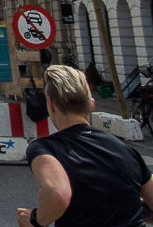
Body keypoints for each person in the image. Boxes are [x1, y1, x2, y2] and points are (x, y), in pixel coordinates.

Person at [16, 65, 153, 227]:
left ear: (51, 105)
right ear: (92, 104)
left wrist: (35, 220)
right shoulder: (125, 149)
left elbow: (58, 195)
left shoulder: (45, 148)